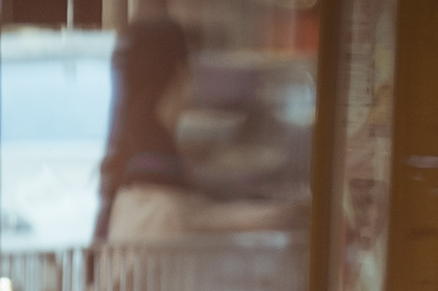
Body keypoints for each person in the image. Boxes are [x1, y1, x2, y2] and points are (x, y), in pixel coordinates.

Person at [96, 18, 293, 243]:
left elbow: (195, 217)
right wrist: (276, 217)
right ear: (180, 72)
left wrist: (270, 217)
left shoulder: (135, 159)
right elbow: (186, 218)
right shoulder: (155, 173)